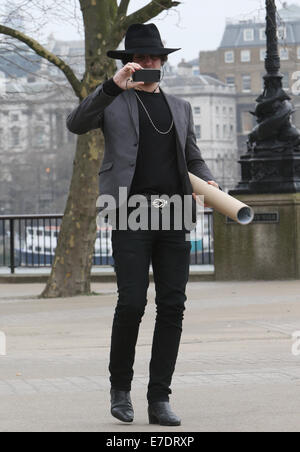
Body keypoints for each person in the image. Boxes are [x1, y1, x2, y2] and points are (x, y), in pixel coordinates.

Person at [67, 23, 219, 426]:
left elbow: (193, 157)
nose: (147, 62)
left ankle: (159, 398)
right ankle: (120, 390)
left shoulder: (181, 107)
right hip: (130, 211)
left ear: (163, 61)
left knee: (172, 306)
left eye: (153, 57)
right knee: (132, 302)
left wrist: (209, 180)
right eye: (139, 58)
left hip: (173, 214)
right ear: (129, 63)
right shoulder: (113, 101)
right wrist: (112, 86)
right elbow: (76, 123)